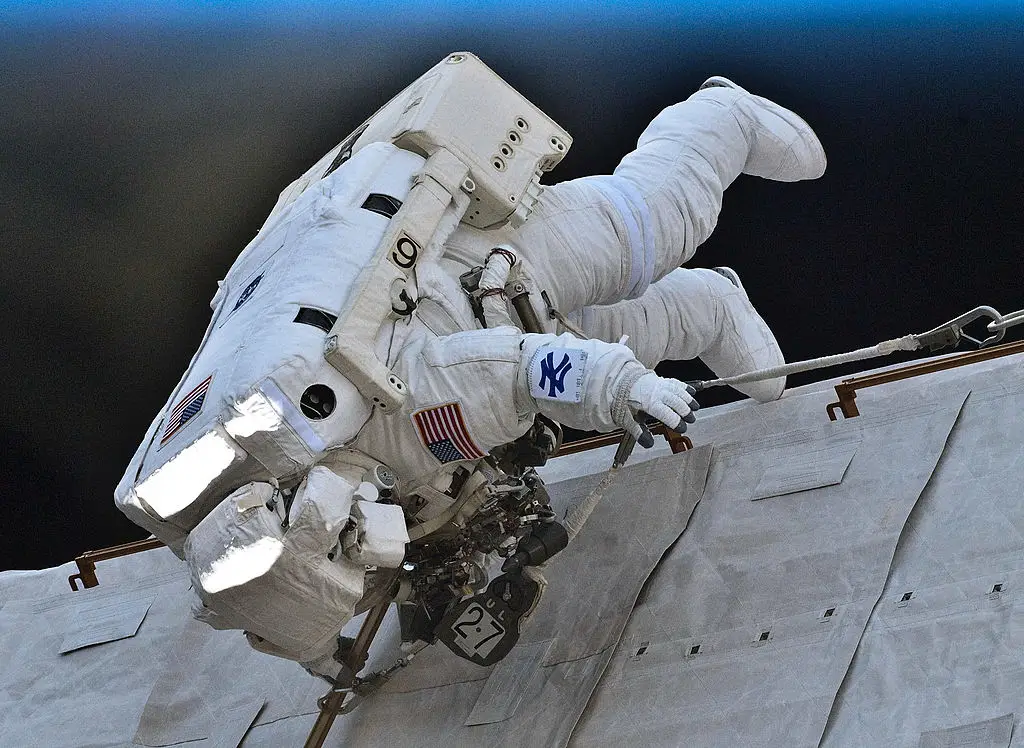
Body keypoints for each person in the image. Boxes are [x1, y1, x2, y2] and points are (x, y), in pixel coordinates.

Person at [115, 58, 825, 680]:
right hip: (461, 321)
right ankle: (707, 306)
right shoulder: (224, 529)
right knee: (619, 329)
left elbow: (528, 369)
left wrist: (625, 388)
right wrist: (327, 656)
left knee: (654, 225)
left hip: (478, 255)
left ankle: (718, 113)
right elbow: (283, 606)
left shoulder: (395, 426)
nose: (359, 575)